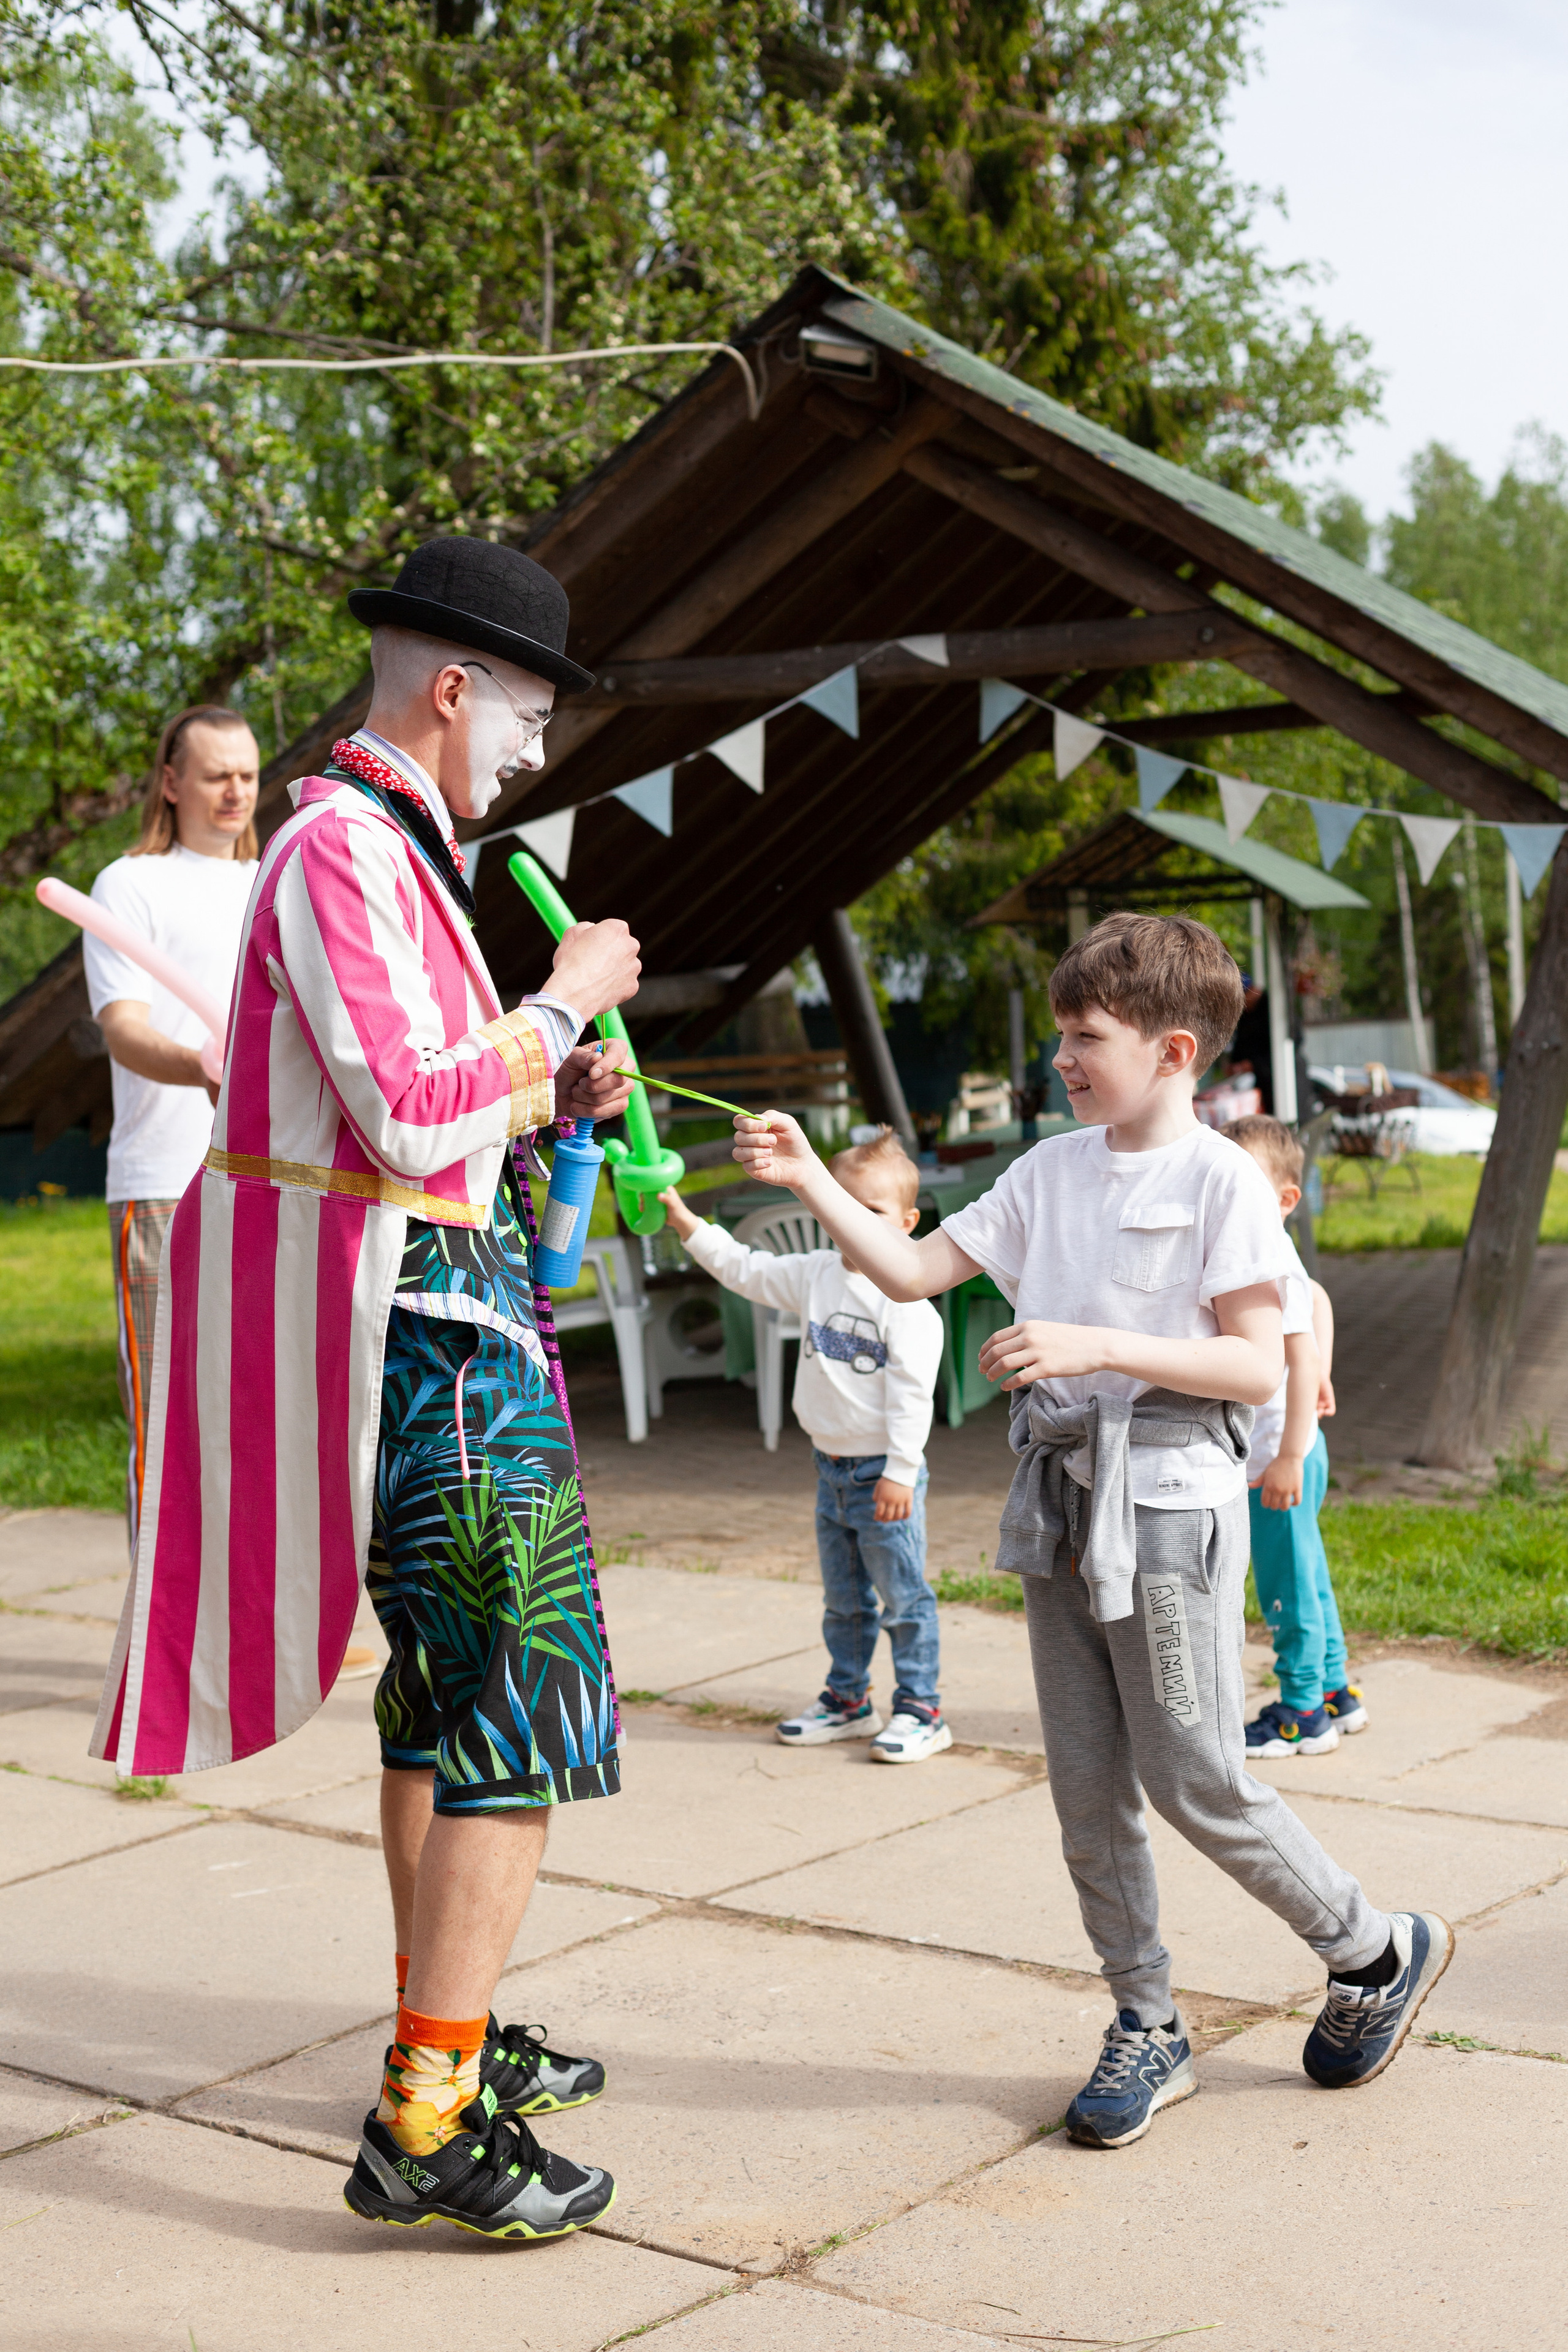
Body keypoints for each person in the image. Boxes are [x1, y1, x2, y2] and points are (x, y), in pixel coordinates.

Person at [90, 536, 643, 2242]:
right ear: (457, 691)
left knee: (441, 1706)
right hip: (432, 1347)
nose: (537, 757)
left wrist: (545, 1081)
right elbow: (411, 1114)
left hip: (438, 1325)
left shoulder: (382, 846)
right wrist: (557, 1007)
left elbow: (419, 1107)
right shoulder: (345, 843)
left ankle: (449, 2033)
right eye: (532, 720)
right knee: (515, 1713)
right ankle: (430, 2105)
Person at [729, 913, 1450, 2148]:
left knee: (1194, 1776)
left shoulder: (1219, 1179)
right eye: (1062, 1036)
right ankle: (1145, 2022)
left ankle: (1371, 1949)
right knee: (1083, 1790)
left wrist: (1093, 1344)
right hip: (1057, 1506)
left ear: (1173, 1052)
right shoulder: (1048, 1170)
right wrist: (805, 1180)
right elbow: (910, 1275)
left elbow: (1250, 1365)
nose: (1060, 1060)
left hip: (1168, 1510)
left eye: (1084, 1038)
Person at [659, 1126, 948, 1762]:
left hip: (883, 1477)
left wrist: (901, 1469)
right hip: (831, 1469)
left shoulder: (907, 1302)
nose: (849, 1224)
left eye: (868, 1212)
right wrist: (687, 1223)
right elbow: (748, 1270)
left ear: (906, 1222)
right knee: (843, 1601)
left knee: (902, 1598)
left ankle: (921, 1709)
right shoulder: (816, 1274)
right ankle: (848, 1701)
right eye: (838, 1208)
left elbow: (911, 1396)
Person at [83, 707, 260, 1548]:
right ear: (170, 782)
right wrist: (200, 1066)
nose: (235, 791)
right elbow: (123, 1027)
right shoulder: (130, 885)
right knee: (166, 1430)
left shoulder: (279, 885)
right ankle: (158, 1652)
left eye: (248, 774)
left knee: (264, 1428)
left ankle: (252, 1639)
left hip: (275, 1185)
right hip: (165, 1185)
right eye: (216, 773)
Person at [1226, 1115, 1366, 1756]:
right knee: (1308, 1572)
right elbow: (1317, 1301)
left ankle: (1300, 1711)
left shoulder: (1265, 1258)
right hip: (1292, 1446)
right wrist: (1322, 1371)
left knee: (1285, 1583)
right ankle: (1334, 1692)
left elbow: (1302, 1325)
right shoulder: (1281, 1262)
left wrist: (1286, 1454)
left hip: (1279, 1457)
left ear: (1285, 1200)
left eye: (1241, 1186)